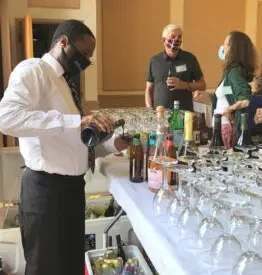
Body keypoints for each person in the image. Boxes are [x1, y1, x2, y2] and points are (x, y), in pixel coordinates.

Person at [0, 20, 129, 275]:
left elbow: (73, 143)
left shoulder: (67, 86)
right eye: (84, 53)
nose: (86, 61)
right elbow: (7, 118)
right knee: (47, 268)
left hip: (70, 191)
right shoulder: (34, 70)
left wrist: (114, 144)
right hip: (46, 192)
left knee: (70, 265)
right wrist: (76, 121)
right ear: (63, 42)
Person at [195, 31, 256, 148]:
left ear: (234, 49)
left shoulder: (235, 72)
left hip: (226, 126)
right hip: (221, 125)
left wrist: (230, 109)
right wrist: (206, 95)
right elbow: (227, 95)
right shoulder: (230, 71)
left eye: (226, 44)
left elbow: (245, 99)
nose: (223, 48)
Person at [145, 24, 206, 111]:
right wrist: (149, 110)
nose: (176, 39)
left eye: (179, 37)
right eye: (173, 36)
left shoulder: (190, 58)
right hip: (160, 115)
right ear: (163, 39)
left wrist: (185, 85)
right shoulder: (155, 60)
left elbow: (202, 85)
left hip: (184, 114)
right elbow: (149, 89)